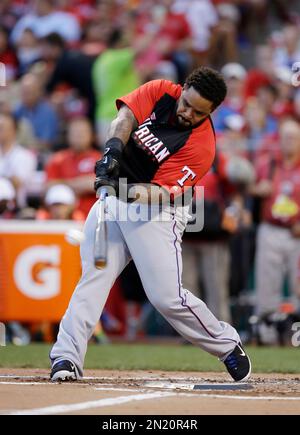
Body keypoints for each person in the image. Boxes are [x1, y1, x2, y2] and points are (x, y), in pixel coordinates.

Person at [50, 66, 251, 383]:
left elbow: (156, 193)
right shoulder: (160, 90)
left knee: (166, 297)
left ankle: (227, 344)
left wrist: (119, 188)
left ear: (212, 112)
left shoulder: (202, 146)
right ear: (183, 88)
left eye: (199, 113)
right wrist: (113, 151)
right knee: (94, 277)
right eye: (186, 104)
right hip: (116, 201)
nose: (187, 113)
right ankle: (66, 357)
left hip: (157, 213)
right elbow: (125, 118)